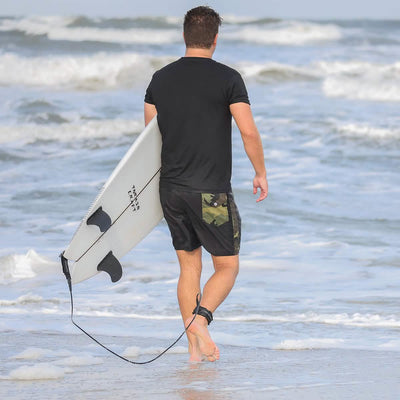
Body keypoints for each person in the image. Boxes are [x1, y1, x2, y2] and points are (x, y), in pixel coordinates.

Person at [144, 6, 268, 362]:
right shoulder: (228, 78)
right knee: (227, 266)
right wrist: (260, 171)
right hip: (210, 193)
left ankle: (193, 351)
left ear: (184, 37)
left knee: (188, 268)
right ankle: (201, 321)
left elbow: (150, 139)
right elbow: (247, 130)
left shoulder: (159, 79)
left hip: (171, 190)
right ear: (215, 39)